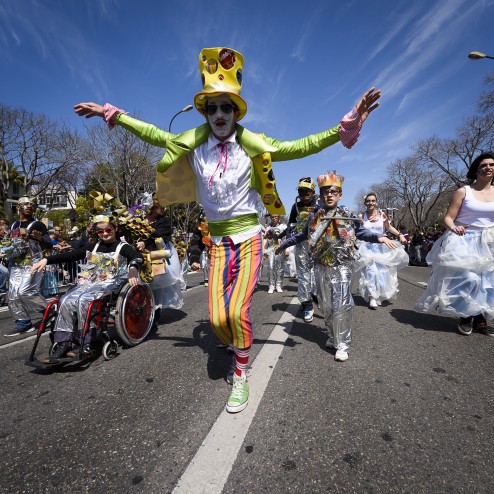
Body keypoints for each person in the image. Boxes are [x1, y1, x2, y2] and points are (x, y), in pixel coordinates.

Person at [74, 47, 381, 413]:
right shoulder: (194, 145)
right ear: (206, 112)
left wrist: (348, 123)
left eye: (226, 107)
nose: (219, 114)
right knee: (219, 318)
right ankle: (233, 341)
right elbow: (152, 133)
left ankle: (240, 374)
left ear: (236, 112)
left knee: (236, 311)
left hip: (249, 237)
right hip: (217, 242)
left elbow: (303, 145)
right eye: (213, 107)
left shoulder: (254, 146)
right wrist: (112, 113)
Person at [276, 172, 391, 361]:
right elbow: (302, 235)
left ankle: (343, 344)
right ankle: (332, 336)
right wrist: (284, 244)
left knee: (342, 305)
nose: (329, 195)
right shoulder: (315, 215)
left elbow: (361, 232)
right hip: (321, 266)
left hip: (343, 266)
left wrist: (379, 237)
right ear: (320, 196)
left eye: (333, 192)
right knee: (326, 306)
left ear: (340, 195)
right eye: (325, 192)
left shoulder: (346, 214)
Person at [30, 215, 143, 362]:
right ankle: (64, 343)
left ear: (115, 229)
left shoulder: (123, 247)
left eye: (108, 229)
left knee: (85, 300)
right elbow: (72, 255)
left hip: (112, 282)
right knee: (65, 300)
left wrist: (133, 267)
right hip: (90, 281)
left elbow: (137, 257)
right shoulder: (93, 246)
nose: (105, 233)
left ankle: (87, 344)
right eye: (100, 232)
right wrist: (46, 259)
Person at [415, 152, 494, 336]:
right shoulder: (464, 191)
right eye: (484, 164)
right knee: (469, 278)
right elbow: (448, 218)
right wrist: (454, 228)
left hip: (490, 241)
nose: (488, 167)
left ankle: (481, 319)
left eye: (492, 164)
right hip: (466, 239)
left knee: (488, 280)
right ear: (476, 169)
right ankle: (466, 316)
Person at [3, 197, 53, 337]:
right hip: (16, 265)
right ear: (18, 207)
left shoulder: (38, 225)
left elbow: (49, 244)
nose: (30, 206)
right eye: (26, 204)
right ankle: (23, 323)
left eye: (32, 204)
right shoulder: (13, 225)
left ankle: (51, 312)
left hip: (33, 264)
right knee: (13, 295)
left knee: (26, 291)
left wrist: (41, 239)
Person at [355, 193, 408, 309]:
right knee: (371, 272)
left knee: (383, 273)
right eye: (368, 201)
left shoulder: (383, 215)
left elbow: (388, 228)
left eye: (373, 200)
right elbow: (359, 231)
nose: (371, 203)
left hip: (382, 247)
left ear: (376, 202)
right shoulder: (361, 215)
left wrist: (400, 235)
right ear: (365, 203)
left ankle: (378, 294)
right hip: (367, 248)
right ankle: (372, 296)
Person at [135, 201, 183, 327]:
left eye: (163, 206)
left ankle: (154, 314)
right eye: (159, 206)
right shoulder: (137, 218)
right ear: (151, 207)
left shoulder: (164, 221)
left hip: (156, 255)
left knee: (155, 283)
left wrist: (145, 239)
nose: (163, 208)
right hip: (138, 254)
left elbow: (163, 236)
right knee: (138, 281)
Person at [286, 178, 319, 322]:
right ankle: (307, 305)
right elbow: (290, 225)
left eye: (307, 191)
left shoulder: (320, 205)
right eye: (301, 191)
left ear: (313, 192)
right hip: (301, 245)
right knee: (303, 276)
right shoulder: (296, 207)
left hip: (318, 245)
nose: (304, 194)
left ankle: (315, 297)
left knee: (317, 275)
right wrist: (286, 241)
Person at [264, 214, 287, 293]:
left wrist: (287, 249)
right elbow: (265, 238)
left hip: (280, 249)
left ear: (278, 217)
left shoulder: (283, 226)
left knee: (279, 268)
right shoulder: (268, 227)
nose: (274, 218)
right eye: (272, 217)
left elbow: (287, 238)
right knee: (271, 267)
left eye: (276, 217)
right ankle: (271, 285)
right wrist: (264, 250)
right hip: (271, 249)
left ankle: (278, 285)